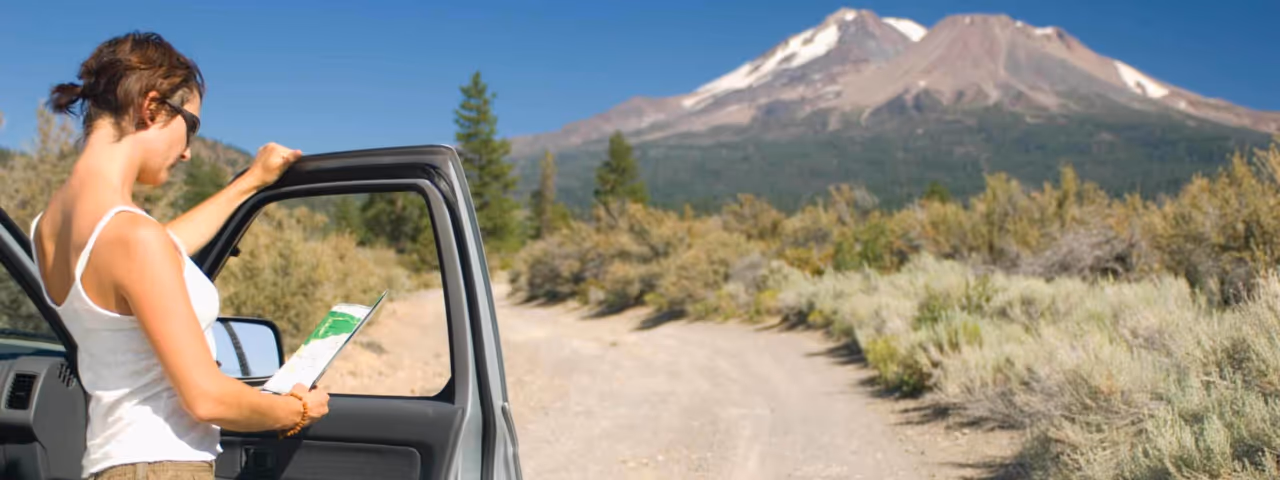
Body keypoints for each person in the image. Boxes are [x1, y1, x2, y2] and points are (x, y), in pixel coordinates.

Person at [28, 31, 330, 479]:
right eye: (191, 126)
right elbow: (207, 398)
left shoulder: (48, 228)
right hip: (163, 467)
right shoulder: (131, 237)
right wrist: (297, 409)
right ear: (151, 109)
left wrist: (247, 184)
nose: (188, 151)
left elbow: (158, 251)